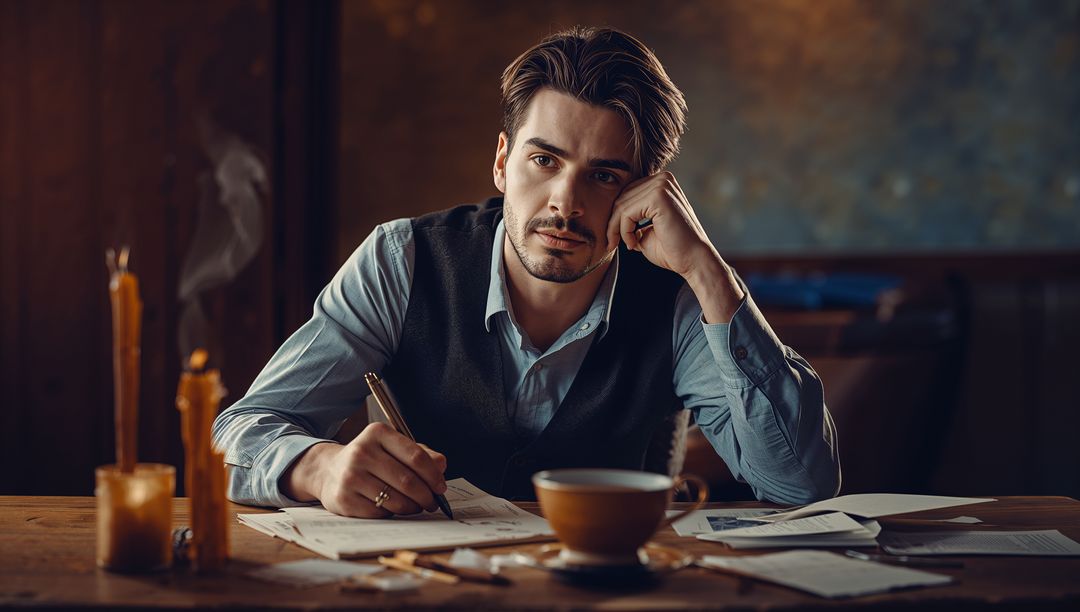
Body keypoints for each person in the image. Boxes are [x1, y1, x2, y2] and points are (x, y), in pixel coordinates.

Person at [212, 26, 841, 518]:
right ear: (502, 162)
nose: (565, 203)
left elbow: (801, 486)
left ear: (645, 193)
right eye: (545, 160)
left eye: (603, 175)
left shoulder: (678, 300)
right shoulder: (401, 260)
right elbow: (237, 432)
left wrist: (707, 268)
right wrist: (318, 467)